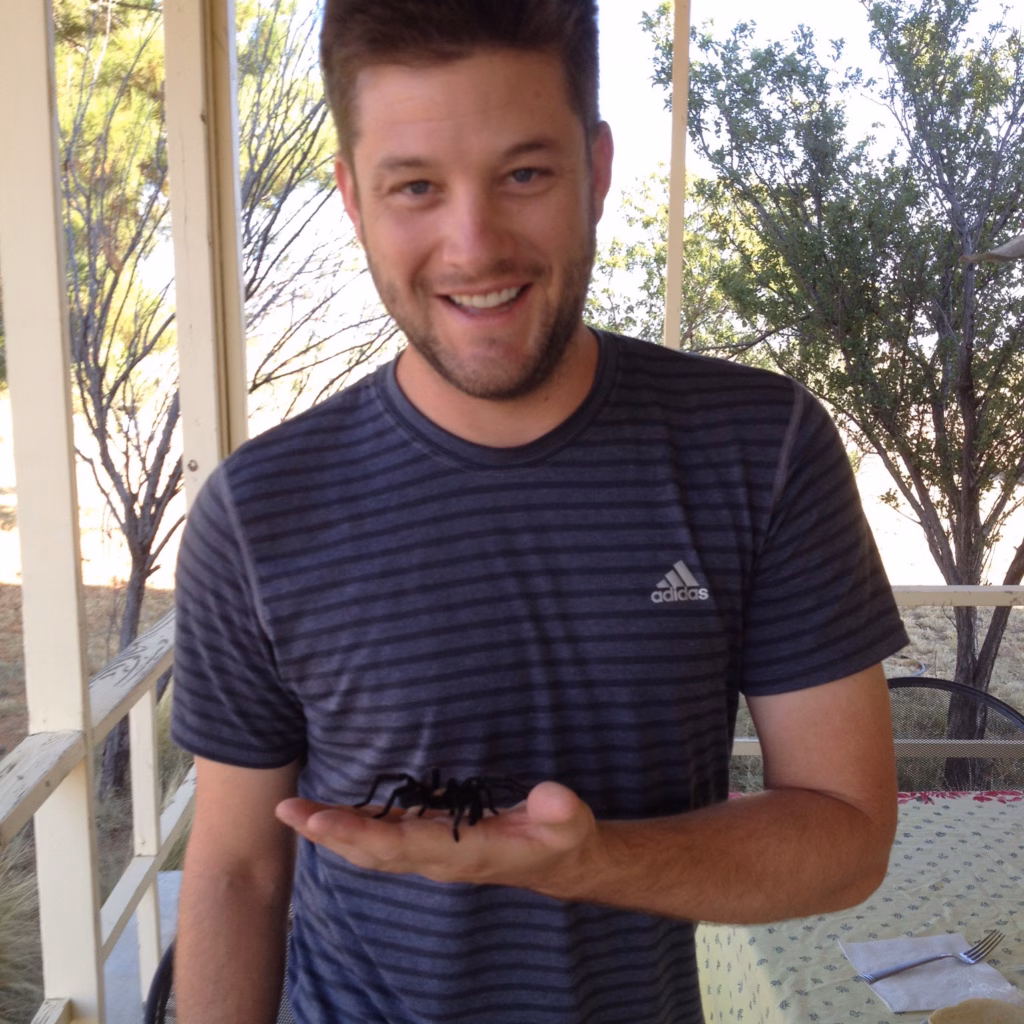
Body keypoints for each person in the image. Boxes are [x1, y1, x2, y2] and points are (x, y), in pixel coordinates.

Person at [169, 1, 909, 1021]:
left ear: (597, 171)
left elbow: (846, 837)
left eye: (524, 174)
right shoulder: (258, 510)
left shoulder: (759, 445)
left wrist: (592, 861)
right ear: (351, 196)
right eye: (415, 186)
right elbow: (238, 872)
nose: (473, 246)